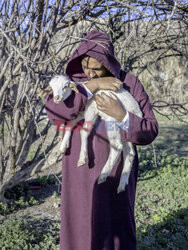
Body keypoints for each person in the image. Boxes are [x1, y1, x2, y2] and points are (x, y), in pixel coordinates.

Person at [45, 30, 158, 250]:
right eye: (85, 67)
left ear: (108, 63)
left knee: (115, 227)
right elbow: (54, 114)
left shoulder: (129, 83)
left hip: (114, 173)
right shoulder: (72, 83)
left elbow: (150, 129)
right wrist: (92, 87)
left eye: (96, 68)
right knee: (79, 227)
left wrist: (122, 116)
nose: (90, 72)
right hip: (79, 174)